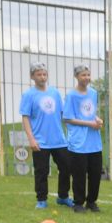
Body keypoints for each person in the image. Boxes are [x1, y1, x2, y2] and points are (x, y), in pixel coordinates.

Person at [19, 63, 73, 210]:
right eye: (39, 74)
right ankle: (41, 199)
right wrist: (31, 139)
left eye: (44, 74)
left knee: (67, 167)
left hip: (59, 140)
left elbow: (63, 114)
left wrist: (71, 133)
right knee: (41, 171)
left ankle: (63, 197)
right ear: (32, 77)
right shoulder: (28, 95)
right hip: (40, 141)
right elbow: (25, 118)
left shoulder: (55, 93)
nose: (42, 77)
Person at [62, 65, 104, 213]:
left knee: (95, 173)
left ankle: (91, 201)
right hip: (79, 141)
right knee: (79, 174)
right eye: (83, 75)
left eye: (88, 75)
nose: (86, 78)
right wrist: (89, 124)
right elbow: (68, 118)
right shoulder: (71, 96)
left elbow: (91, 113)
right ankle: (78, 202)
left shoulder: (93, 93)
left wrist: (97, 120)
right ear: (76, 77)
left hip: (94, 141)